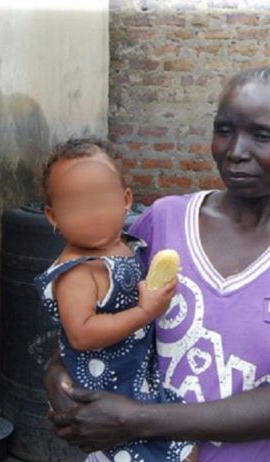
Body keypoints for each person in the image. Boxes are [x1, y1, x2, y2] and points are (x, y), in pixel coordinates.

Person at [44, 67, 270, 462]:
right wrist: (63, 389)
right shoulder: (163, 222)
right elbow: (84, 336)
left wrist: (136, 419)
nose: (236, 150)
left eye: (262, 135)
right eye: (224, 130)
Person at [34, 139, 195, 462]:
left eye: (102, 199)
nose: (92, 212)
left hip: (137, 377)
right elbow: (81, 333)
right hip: (108, 386)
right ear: (53, 216)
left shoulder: (124, 245)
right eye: (76, 204)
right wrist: (145, 311)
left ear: (125, 200)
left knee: (184, 449)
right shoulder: (77, 272)